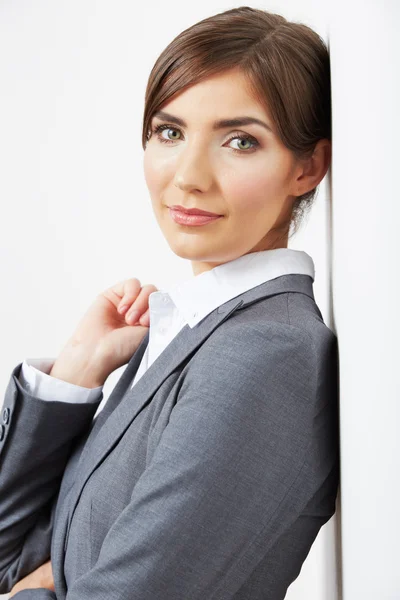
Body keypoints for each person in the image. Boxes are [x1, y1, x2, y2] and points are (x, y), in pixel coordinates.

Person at [0, 6, 339, 599]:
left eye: (240, 141)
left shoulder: (264, 353)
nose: (188, 176)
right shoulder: (190, 332)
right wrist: (78, 373)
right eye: (169, 132)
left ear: (307, 166)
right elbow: (9, 558)